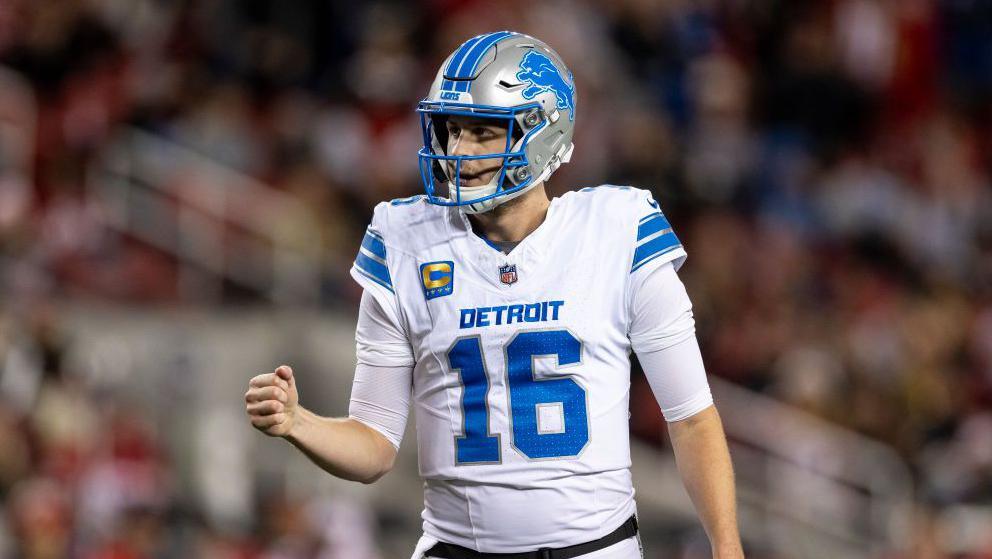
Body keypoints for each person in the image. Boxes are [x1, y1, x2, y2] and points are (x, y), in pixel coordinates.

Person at [245, 31, 744, 559]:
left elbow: (690, 418)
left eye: (484, 132)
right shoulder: (404, 239)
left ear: (544, 133)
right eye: (452, 129)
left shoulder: (618, 231)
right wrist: (299, 422)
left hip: (595, 548)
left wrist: (726, 547)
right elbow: (374, 446)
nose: (459, 151)